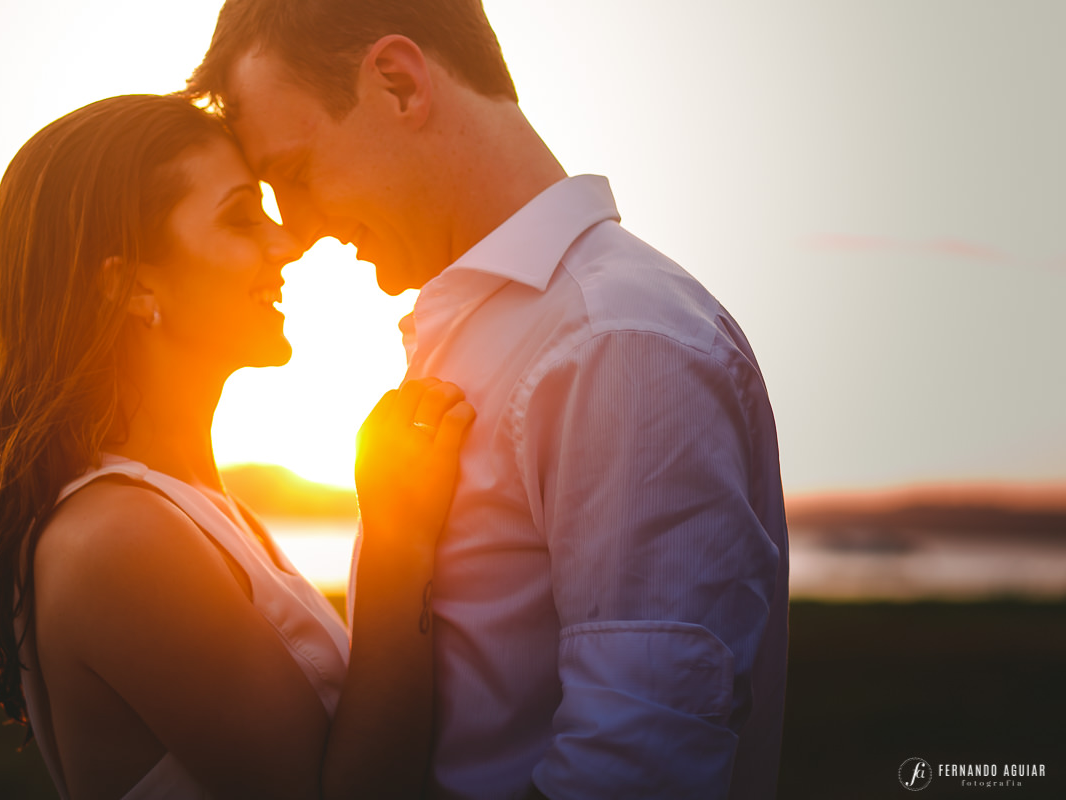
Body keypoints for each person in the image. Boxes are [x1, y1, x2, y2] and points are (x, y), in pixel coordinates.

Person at [185, 1, 790, 798]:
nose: (293, 231)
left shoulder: (616, 340)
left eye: (293, 174)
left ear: (399, 84)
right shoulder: (502, 335)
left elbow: (635, 771)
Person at [0, 93, 475, 799]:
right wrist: (398, 538)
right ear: (130, 285)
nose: (287, 242)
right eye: (240, 217)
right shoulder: (117, 539)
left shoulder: (192, 508)